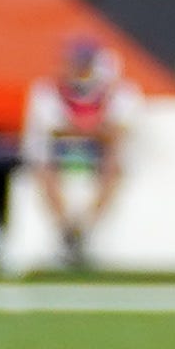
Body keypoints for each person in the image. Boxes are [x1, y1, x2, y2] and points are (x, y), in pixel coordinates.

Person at [28, 36, 126, 271]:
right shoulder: (48, 91)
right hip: (65, 156)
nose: (79, 70)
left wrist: (80, 129)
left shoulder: (115, 93)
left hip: (96, 157)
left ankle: (85, 229)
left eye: (84, 64)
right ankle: (67, 231)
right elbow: (52, 131)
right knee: (44, 168)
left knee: (113, 166)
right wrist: (93, 129)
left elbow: (117, 132)